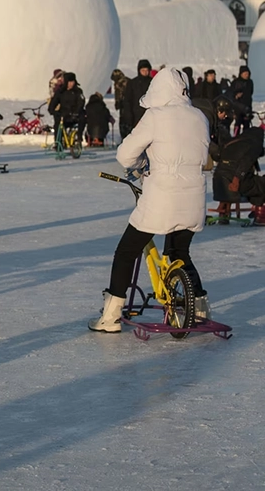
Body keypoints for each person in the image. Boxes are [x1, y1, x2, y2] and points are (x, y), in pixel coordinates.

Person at [89, 67, 210, 333]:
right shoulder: (199, 117)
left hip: (162, 198)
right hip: (194, 199)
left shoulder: (155, 116)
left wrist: (141, 165)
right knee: (180, 253)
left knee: (126, 252)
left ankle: (110, 317)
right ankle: (200, 309)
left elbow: (125, 155)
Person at [214, 126, 265, 225]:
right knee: (261, 185)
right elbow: (246, 161)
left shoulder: (233, 142)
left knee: (256, 184)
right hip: (236, 182)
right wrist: (237, 178)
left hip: (219, 182)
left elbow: (217, 155)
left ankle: (224, 215)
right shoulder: (255, 143)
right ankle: (260, 215)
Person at [48, 71, 86, 139]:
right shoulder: (60, 92)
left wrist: (76, 112)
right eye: (69, 82)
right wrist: (52, 110)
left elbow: (81, 102)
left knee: (82, 117)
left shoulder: (78, 91)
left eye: (73, 82)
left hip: (75, 115)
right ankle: (58, 141)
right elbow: (54, 102)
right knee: (58, 123)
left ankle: (79, 137)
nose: (71, 84)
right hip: (64, 115)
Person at [124, 59, 153, 129]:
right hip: (136, 116)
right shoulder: (132, 83)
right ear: (139, 71)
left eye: (146, 70)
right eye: (143, 70)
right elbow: (127, 100)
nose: (145, 72)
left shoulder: (153, 82)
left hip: (151, 114)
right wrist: (129, 116)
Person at [231, 65, 254, 134]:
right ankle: (236, 138)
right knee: (237, 124)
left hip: (247, 106)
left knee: (246, 126)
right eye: (245, 74)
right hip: (238, 107)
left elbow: (251, 92)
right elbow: (231, 94)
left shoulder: (250, 82)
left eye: (248, 74)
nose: (247, 75)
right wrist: (236, 95)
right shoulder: (235, 82)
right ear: (241, 74)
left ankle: (246, 138)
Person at [111, 69, 131, 141]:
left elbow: (120, 94)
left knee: (124, 123)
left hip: (125, 105)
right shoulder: (125, 81)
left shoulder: (122, 82)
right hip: (124, 105)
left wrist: (118, 102)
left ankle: (125, 138)